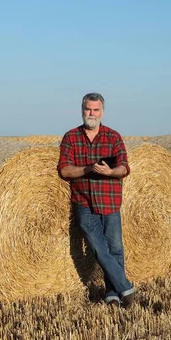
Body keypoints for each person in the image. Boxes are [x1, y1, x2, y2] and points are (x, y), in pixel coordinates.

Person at [58, 92, 135, 308]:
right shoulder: (71, 137)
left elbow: (124, 167)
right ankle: (126, 288)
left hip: (110, 201)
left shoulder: (113, 137)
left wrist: (110, 172)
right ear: (82, 110)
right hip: (83, 202)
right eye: (88, 109)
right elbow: (64, 170)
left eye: (96, 110)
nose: (91, 114)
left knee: (115, 248)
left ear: (102, 112)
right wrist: (88, 169)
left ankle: (112, 293)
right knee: (98, 249)